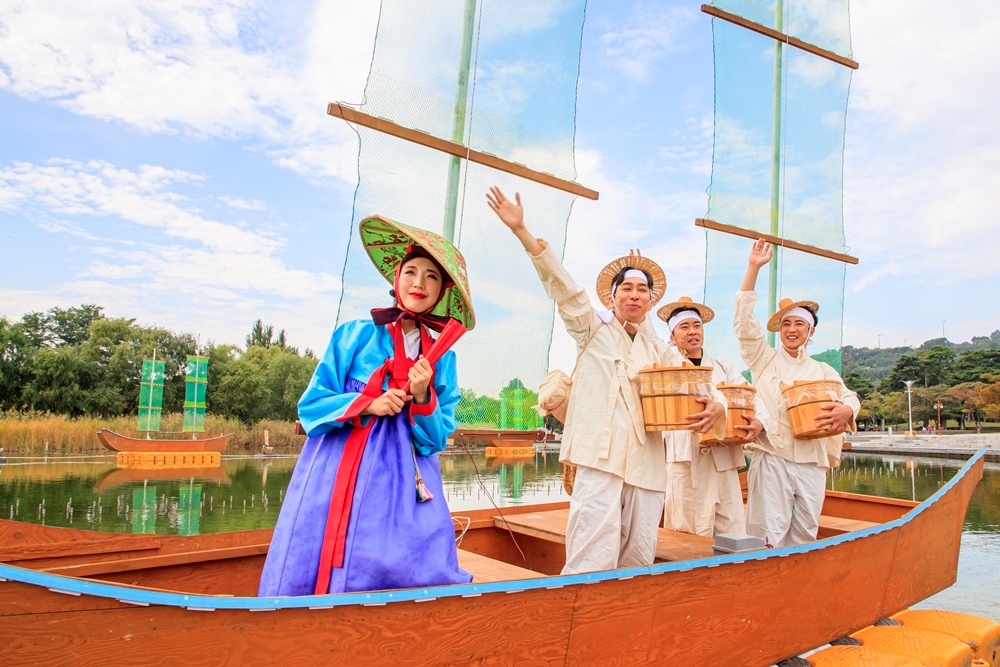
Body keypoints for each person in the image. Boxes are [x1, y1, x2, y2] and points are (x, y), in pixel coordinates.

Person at [487, 186, 727, 574]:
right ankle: (578, 621)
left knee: (638, 552)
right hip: (600, 458)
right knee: (591, 552)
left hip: (648, 463)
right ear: (612, 298)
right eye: (626, 289)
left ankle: (622, 622)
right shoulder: (591, 330)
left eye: (643, 290)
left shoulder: (659, 350)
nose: (635, 295)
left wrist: (719, 403)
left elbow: (692, 380)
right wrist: (523, 232)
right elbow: (565, 289)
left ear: (650, 302)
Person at [258, 216, 475, 596]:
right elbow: (312, 405)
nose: (419, 283)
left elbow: (435, 438)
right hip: (340, 465)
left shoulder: (444, 358)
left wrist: (423, 396)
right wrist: (369, 403)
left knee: (405, 554)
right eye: (411, 272)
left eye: (431, 277)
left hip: (407, 474)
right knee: (321, 543)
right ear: (396, 280)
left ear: (442, 291)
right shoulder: (353, 335)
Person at [736, 238, 860, 547]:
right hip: (773, 457)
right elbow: (744, 325)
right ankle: (763, 590)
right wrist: (753, 268)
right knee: (767, 535)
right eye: (787, 324)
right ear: (779, 330)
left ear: (810, 331)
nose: (793, 329)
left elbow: (849, 398)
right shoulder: (763, 359)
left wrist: (847, 411)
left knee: (805, 533)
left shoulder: (823, 370)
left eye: (800, 324)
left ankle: (795, 591)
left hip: (812, 461)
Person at [657, 296, 771, 538]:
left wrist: (760, 421)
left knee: (731, 529)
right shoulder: (665, 367)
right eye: (684, 327)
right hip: (684, 461)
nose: (692, 332)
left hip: (723, 458)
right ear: (672, 335)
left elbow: (750, 396)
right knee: (687, 533)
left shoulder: (723, 366)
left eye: (696, 326)